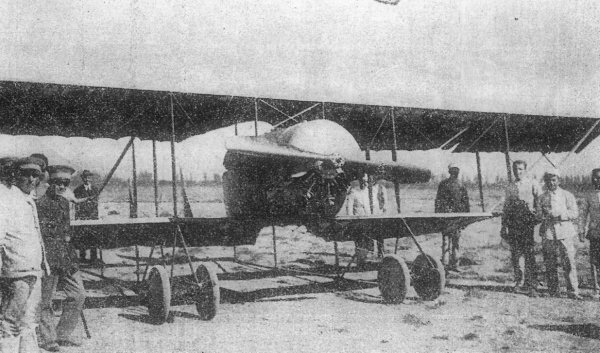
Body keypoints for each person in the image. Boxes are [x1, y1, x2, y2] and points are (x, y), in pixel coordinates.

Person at [0, 157, 49, 353]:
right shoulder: (6, 198)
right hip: (15, 271)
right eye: (25, 174)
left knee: (30, 321)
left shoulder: (27, 199)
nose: (30, 179)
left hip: (32, 270)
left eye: (34, 175)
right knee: (10, 322)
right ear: (15, 175)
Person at [37, 166, 86, 351]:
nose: (62, 186)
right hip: (49, 258)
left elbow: (66, 232)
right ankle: (47, 340)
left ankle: (62, 334)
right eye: (58, 182)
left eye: (65, 183)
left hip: (66, 257)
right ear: (50, 182)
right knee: (46, 301)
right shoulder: (40, 203)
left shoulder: (65, 202)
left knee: (78, 294)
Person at [536, 168, 581, 299]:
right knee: (550, 261)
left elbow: (575, 213)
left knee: (568, 261)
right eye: (548, 180)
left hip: (565, 231)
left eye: (554, 180)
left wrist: (560, 214)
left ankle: (573, 291)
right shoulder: (542, 197)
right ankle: (553, 290)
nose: (551, 183)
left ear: (558, 180)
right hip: (549, 232)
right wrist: (544, 214)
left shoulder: (567, 195)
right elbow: (538, 215)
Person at [500, 160, 541, 297]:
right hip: (514, 224)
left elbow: (540, 202)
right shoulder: (510, 187)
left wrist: (536, 214)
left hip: (528, 223)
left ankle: (532, 284)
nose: (518, 172)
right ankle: (519, 281)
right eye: (516, 169)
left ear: (525, 170)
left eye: (521, 169)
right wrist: (503, 226)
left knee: (529, 254)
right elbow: (506, 207)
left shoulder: (533, 183)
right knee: (516, 254)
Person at [345, 172, 387, 265]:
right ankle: (361, 261)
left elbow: (374, 206)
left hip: (369, 221)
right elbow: (349, 208)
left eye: (367, 181)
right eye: (363, 181)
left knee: (371, 240)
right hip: (358, 222)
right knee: (360, 241)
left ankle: (373, 259)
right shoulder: (353, 192)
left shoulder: (371, 192)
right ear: (360, 181)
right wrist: (351, 220)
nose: (365, 183)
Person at [435, 163, 470, 271]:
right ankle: (445, 264)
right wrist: (438, 215)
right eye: (453, 170)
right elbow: (438, 201)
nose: (455, 172)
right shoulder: (444, 184)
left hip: (457, 217)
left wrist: (466, 218)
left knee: (455, 241)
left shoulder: (461, 185)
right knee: (447, 241)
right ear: (450, 171)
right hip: (447, 217)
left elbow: (466, 202)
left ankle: (454, 264)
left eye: (456, 170)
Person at [578, 168, 600, 300]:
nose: (597, 180)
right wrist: (581, 231)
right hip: (595, 233)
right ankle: (596, 288)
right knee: (594, 260)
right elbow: (582, 215)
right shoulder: (589, 195)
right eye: (595, 178)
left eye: (599, 177)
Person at [73, 170, 99, 263]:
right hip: (82, 217)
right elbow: (77, 203)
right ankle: (82, 257)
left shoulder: (95, 189)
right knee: (82, 237)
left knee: (94, 237)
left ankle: (94, 258)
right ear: (82, 179)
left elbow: (96, 203)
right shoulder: (77, 190)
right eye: (85, 177)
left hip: (93, 216)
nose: (87, 179)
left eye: (89, 177)